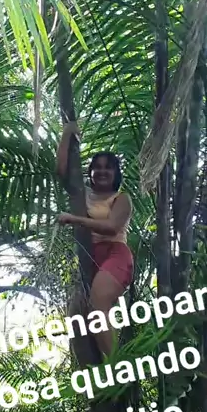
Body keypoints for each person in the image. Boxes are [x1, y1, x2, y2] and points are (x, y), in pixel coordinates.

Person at [56, 121, 133, 358]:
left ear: (116, 173)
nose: (102, 171)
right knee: (80, 317)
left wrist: (74, 219)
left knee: (98, 305)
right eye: (97, 167)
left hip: (116, 255)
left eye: (108, 168)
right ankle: (99, 369)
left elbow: (112, 227)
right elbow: (61, 171)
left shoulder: (121, 198)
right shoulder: (84, 195)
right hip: (89, 259)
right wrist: (67, 133)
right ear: (90, 172)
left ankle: (117, 365)